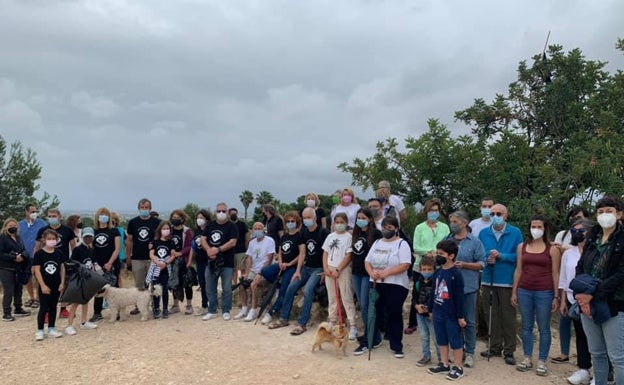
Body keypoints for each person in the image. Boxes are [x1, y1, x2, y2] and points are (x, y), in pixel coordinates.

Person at [576, 196, 624, 385]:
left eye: (609, 211)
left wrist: (592, 294)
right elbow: (580, 267)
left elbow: (621, 274)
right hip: (587, 303)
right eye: (600, 211)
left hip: (613, 303)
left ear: (619, 214)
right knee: (597, 353)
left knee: (618, 357)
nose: (604, 215)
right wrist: (581, 294)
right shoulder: (593, 237)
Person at [511, 214, 561, 376]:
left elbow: (555, 273)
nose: (536, 229)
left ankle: (542, 360)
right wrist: (514, 291)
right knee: (526, 326)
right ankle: (527, 357)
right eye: (533, 226)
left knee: (544, 327)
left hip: (544, 291)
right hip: (524, 289)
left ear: (545, 228)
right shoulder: (522, 246)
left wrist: (556, 296)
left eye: (539, 226)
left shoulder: (552, 249)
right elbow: (518, 269)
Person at [479, 203, 523, 365]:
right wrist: (487, 258)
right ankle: (494, 346)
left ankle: (509, 350)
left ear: (505, 215)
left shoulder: (515, 232)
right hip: (488, 278)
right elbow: (480, 253)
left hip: (507, 280)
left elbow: (519, 256)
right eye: (492, 214)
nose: (495, 217)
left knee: (508, 316)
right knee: (491, 314)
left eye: (498, 213)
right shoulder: (484, 233)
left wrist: (501, 256)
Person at [364, 216, 412, 358]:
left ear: (396, 229)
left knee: (394, 313)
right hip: (376, 283)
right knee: (374, 313)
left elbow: (405, 264)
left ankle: (396, 345)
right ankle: (370, 341)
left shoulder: (402, 244)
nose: (386, 230)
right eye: (384, 227)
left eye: (389, 228)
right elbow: (367, 261)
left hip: (395, 284)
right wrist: (372, 273)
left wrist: (387, 272)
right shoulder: (377, 242)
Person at [277, 207, 329, 334]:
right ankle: (284, 318)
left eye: (308, 217)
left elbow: (328, 253)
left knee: (308, 290)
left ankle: (302, 323)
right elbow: (302, 253)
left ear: (315, 217)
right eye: (304, 218)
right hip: (307, 267)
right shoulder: (304, 233)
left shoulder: (323, 232)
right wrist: (298, 271)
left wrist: (326, 270)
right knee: (291, 287)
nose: (306, 220)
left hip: (319, 268)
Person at [446, 210, 486, 368]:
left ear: (464, 223)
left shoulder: (475, 242)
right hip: (449, 288)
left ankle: (470, 353)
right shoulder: (447, 240)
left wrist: (465, 265)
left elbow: (482, 263)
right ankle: (457, 350)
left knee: (468, 321)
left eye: (455, 222)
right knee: (452, 321)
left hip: (468, 287)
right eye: (451, 222)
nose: (452, 225)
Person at [559, 219, 595, 385]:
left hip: (594, 300)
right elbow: (564, 279)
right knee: (581, 336)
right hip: (574, 300)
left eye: (579, 230)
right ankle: (584, 369)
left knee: (598, 338)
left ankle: (603, 372)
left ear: (589, 232)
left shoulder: (596, 251)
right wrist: (563, 301)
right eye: (573, 230)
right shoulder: (568, 253)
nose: (575, 233)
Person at [426, 240, 466, 381]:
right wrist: (430, 309)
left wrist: (460, 316)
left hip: (451, 314)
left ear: (451, 256)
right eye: (437, 253)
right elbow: (433, 292)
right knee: (441, 339)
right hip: (438, 311)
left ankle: (458, 366)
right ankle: (444, 363)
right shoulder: (438, 272)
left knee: (455, 340)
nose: (438, 256)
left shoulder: (456, 274)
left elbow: (460, 297)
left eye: (441, 254)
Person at [262, 211, 305, 328]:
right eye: (288, 221)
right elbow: (280, 252)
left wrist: (289, 263)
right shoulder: (285, 236)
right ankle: (279, 285)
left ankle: (272, 312)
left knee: (284, 291)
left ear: (297, 223)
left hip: (292, 267)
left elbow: (301, 253)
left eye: (293, 221)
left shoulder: (300, 236)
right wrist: (280, 262)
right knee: (265, 271)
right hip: (282, 265)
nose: (290, 223)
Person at [349, 208, 382, 350]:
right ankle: (372, 334)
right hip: (356, 271)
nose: (360, 220)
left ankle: (372, 336)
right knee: (362, 306)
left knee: (366, 305)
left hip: (367, 273)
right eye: (358, 217)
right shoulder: (356, 233)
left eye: (363, 217)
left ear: (369, 219)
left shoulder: (375, 234)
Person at [34, 208, 76, 319]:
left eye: (54, 216)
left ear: (59, 217)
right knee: (46, 286)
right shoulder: (42, 230)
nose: (52, 218)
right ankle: (46, 311)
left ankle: (63, 309)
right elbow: (37, 247)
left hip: (63, 262)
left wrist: (74, 261)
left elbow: (73, 246)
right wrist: (34, 264)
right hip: (46, 264)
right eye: (50, 216)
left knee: (63, 286)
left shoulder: (68, 230)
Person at [201, 202, 239, 321]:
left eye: (223, 211)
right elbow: (203, 239)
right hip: (211, 261)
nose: (221, 213)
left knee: (227, 287)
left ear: (227, 212)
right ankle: (212, 310)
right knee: (210, 286)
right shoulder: (210, 225)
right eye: (218, 211)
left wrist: (217, 250)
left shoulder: (232, 226)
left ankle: (226, 310)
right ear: (215, 212)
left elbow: (233, 242)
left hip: (227, 262)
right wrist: (208, 250)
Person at [126, 198, 161, 314]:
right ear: (138, 208)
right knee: (139, 284)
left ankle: (155, 306)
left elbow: (161, 239)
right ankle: (139, 306)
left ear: (150, 209)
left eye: (146, 207)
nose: (144, 209)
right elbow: (129, 241)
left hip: (153, 258)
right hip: (137, 257)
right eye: (142, 207)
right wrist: (128, 257)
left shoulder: (157, 222)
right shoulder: (132, 222)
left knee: (154, 283)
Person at [89, 207, 121, 323]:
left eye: (105, 214)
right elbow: (91, 249)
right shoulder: (94, 232)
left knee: (114, 287)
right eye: (101, 214)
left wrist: (110, 263)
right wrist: (95, 263)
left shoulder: (114, 231)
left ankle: (116, 311)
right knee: (98, 288)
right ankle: (97, 312)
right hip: (98, 264)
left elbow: (117, 249)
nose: (103, 216)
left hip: (112, 263)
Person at [33, 229, 66, 340]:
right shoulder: (39, 254)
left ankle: (51, 328)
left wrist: (62, 282)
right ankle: (40, 329)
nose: (51, 241)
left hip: (56, 284)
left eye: (53, 239)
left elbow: (62, 268)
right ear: (44, 240)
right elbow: (37, 270)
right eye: (49, 239)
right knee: (44, 307)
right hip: (45, 285)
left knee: (53, 307)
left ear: (57, 240)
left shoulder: (59, 253)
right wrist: (42, 285)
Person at [64, 227, 98, 334]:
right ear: (82, 237)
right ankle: (69, 325)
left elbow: (93, 263)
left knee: (86, 300)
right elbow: (72, 263)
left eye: (90, 237)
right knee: (76, 302)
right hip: (79, 278)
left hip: (88, 277)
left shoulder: (92, 250)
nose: (88, 239)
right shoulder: (77, 250)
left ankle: (84, 321)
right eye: (86, 237)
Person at [240, 223, 275, 321]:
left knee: (253, 284)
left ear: (263, 230)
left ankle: (253, 310)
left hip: (265, 270)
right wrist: (247, 273)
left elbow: (269, 258)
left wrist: (260, 273)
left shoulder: (269, 241)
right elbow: (249, 258)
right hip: (253, 270)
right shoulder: (252, 243)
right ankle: (244, 308)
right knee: (242, 284)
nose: (257, 230)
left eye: (259, 228)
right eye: (255, 229)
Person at [0, 218, 31, 321]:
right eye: (10, 226)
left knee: (19, 288)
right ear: (5, 227)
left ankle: (18, 308)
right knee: (9, 290)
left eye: (15, 226)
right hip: (6, 268)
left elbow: (24, 249)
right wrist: (13, 257)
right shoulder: (2, 238)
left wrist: (23, 256)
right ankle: (6, 312)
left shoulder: (18, 238)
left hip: (18, 268)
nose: (13, 227)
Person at [412, 256, 440, 366]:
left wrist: (432, 310)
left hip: (432, 315)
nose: (426, 272)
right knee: (423, 336)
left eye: (429, 269)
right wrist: (416, 306)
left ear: (434, 269)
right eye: (424, 269)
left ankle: (442, 358)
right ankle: (426, 356)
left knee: (436, 338)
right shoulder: (418, 283)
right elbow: (414, 297)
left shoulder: (437, 282)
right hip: (420, 314)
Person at [18, 203, 47, 308]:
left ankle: (39, 299)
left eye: (36, 211)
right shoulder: (19, 225)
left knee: (39, 277)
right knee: (27, 277)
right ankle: (31, 297)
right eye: (32, 211)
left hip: (39, 255)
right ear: (26, 212)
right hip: (25, 255)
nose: (34, 214)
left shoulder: (42, 223)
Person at [148, 221, 179, 319]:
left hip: (166, 269)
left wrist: (166, 263)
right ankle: (156, 308)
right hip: (156, 268)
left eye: (167, 229)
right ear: (160, 230)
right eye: (164, 229)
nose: (166, 231)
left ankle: (165, 308)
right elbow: (151, 254)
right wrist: (157, 262)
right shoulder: (155, 242)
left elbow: (173, 254)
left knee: (165, 289)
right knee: (156, 289)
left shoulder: (171, 242)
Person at [413, 198, 450, 271]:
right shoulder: (419, 227)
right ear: (426, 211)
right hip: (421, 265)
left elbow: (448, 245)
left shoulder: (445, 227)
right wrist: (429, 252)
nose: (433, 212)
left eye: (436, 210)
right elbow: (416, 247)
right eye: (431, 210)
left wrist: (437, 253)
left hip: (440, 265)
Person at [169, 209, 194, 315]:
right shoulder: (169, 230)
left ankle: (189, 305)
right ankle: (175, 305)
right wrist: (172, 251)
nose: (175, 220)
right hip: (172, 260)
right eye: (173, 217)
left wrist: (181, 253)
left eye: (177, 217)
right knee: (174, 283)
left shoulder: (187, 231)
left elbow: (190, 246)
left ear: (182, 219)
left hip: (184, 259)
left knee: (187, 283)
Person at [188, 210, 210, 315]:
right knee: (202, 283)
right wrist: (190, 260)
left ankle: (212, 304)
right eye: (198, 218)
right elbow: (193, 247)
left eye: (201, 217)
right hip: (199, 261)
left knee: (209, 283)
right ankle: (204, 305)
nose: (199, 220)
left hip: (209, 261)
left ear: (206, 219)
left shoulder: (210, 230)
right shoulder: (196, 231)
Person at [229, 207, 249, 286]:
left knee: (242, 269)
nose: (233, 215)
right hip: (230, 251)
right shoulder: (228, 225)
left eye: (234, 214)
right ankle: (234, 284)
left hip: (241, 250)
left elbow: (247, 237)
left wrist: (247, 249)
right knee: (233, 270)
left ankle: (243, 283)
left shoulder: (242, 224)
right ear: (229, 214)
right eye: (232, 214)